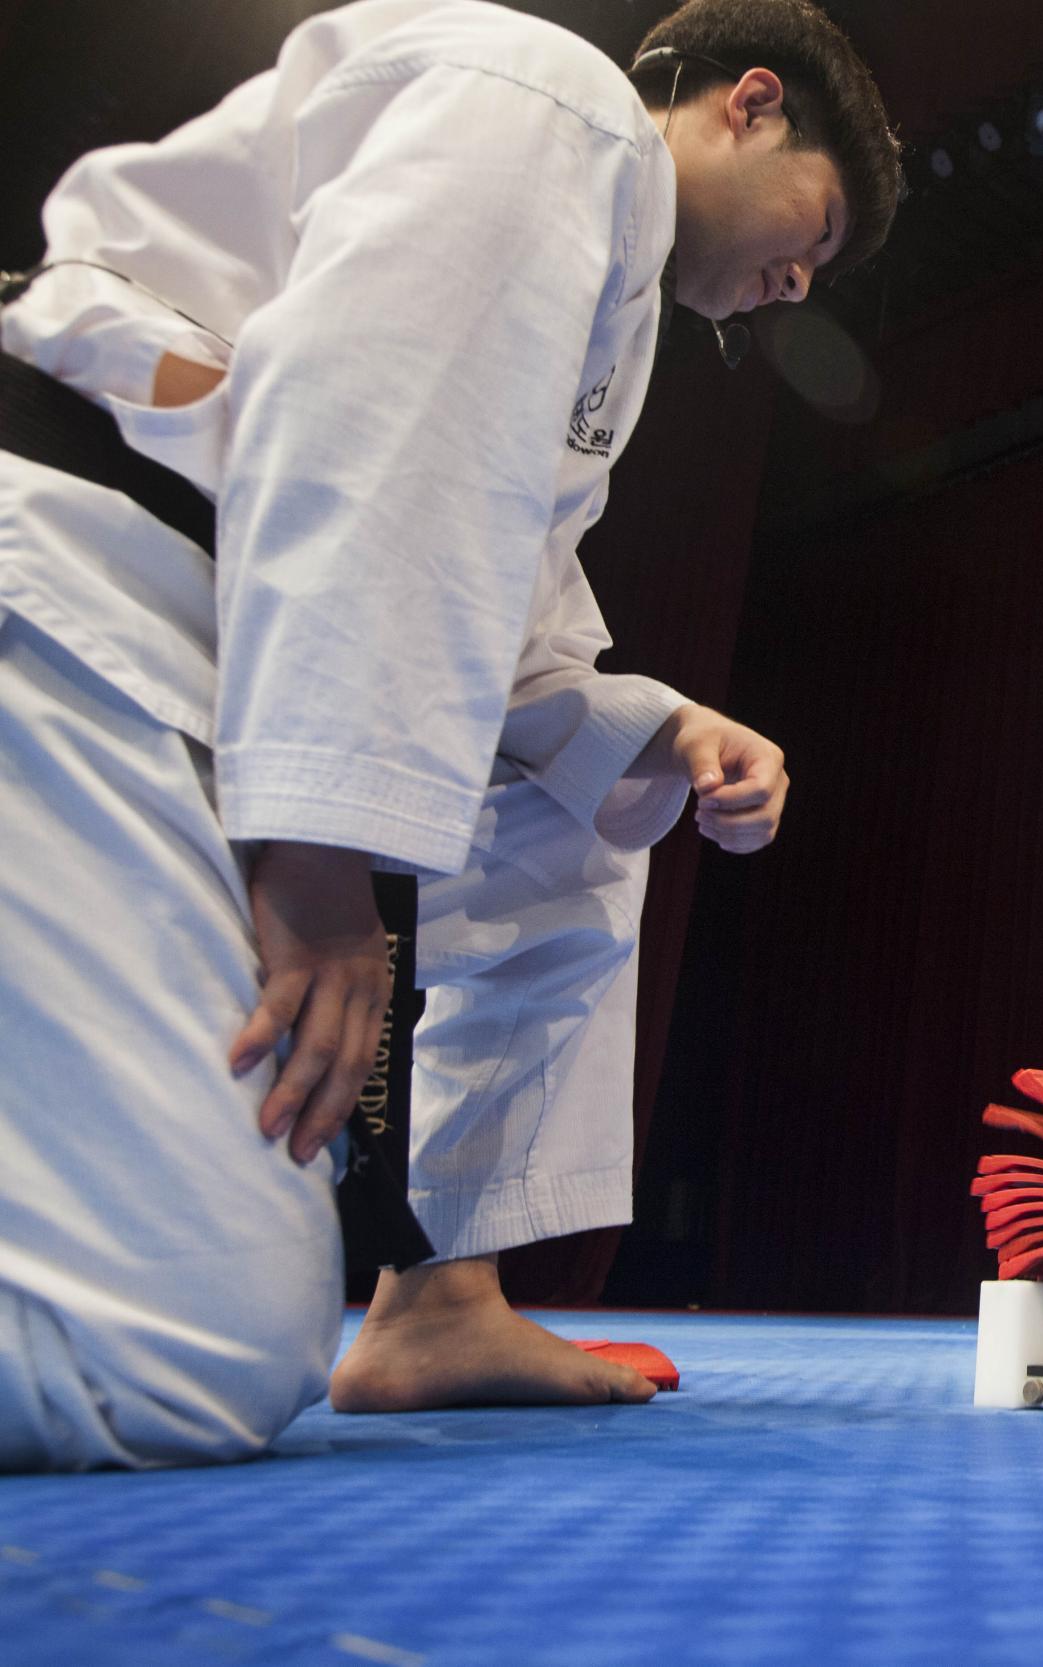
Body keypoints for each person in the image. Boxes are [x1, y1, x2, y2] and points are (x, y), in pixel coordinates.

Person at [0, 0, 899, 1469]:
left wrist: (667, 729)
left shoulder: (600, 300)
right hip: (72, 569)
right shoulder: (555, 101)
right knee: (188, 1350)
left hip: (187, 635)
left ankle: (440, 1291)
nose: (802, 276)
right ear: (748, 102)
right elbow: (361, 420)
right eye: (818, 225)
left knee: (597, 806)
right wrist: (321, 863)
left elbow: (498, 610)